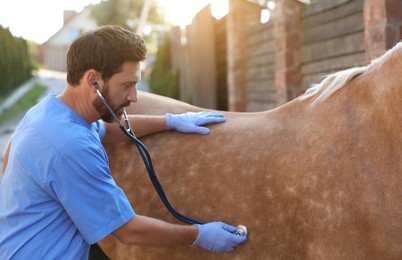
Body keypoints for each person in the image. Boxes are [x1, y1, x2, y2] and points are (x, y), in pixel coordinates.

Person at [0, 25, 247, 259]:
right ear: (93, 81)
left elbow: (106, 130)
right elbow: (128, 230)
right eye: (127, 85)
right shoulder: (70, 146)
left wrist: (169, 121)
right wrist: (199, 235)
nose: (134, 97)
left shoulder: (51, 112)